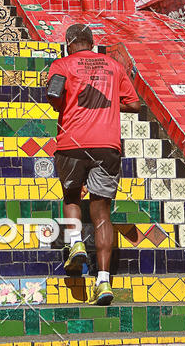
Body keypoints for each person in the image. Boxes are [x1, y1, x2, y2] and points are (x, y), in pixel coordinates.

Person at [47, 24, 140, 305]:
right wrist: (110, 105)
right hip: (107, 145)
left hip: (71, 143)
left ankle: (75, 242)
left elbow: (53, 96)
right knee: (102, 213)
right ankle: (103, 282)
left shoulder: (62, 64)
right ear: (91, 42)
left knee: (72, 195)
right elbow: (135, 104)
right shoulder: (113, 65)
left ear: (69, 43)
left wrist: (69, 103)